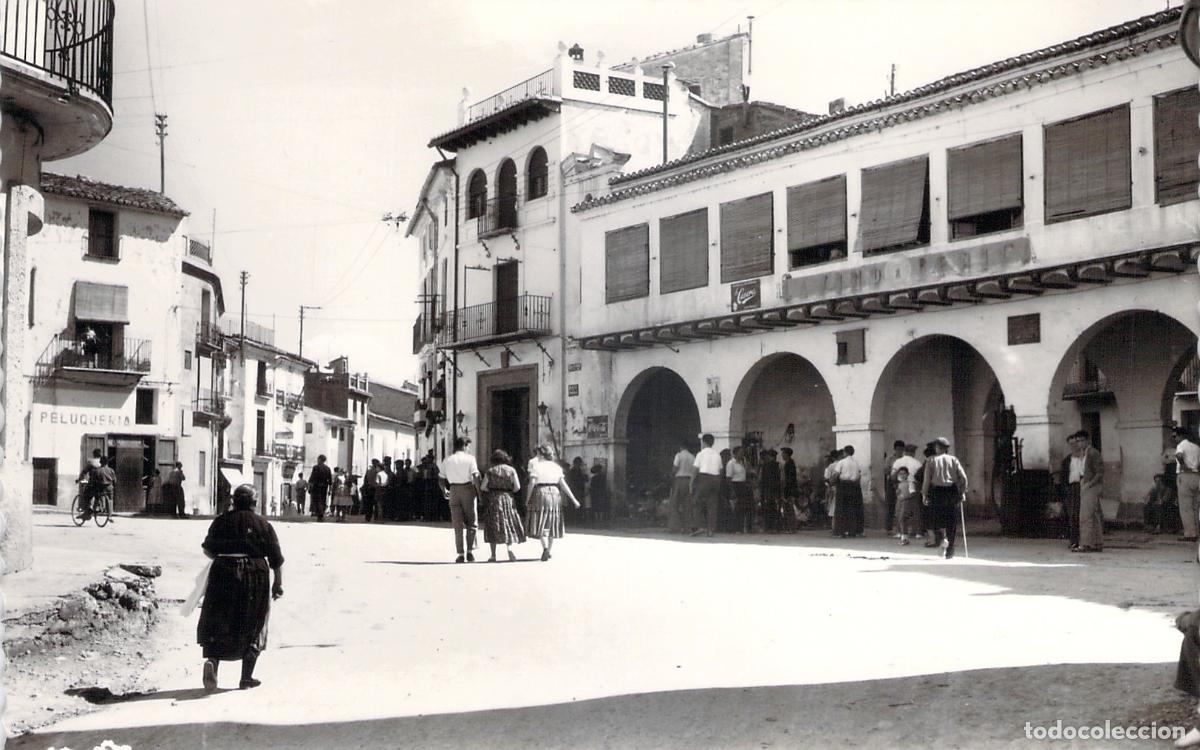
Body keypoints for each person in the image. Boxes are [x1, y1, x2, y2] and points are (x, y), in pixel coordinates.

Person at [197, 484, 284, 691]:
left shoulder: (221, 521)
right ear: (255, 502)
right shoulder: (263, 524)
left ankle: (213, 661)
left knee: (219, 618)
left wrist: (226, 557)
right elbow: (276, 559)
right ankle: (246, 678)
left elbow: (208, 550)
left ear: (234, 501)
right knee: (255, 621)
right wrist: (278, 583)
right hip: (255, 575)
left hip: (223, 572)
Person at [524, 444, 581, 561]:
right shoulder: (556, 467)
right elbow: (563, 485)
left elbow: (532, 483)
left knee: (539, 520)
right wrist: (574, 499)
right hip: (555, 493)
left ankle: (545, 548)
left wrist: (527, 498)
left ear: (541, 454)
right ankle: (549, 550)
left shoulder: (537, 466)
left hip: (540, 492)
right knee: (552, 522)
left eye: (538, 453)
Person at [922, 437, 968, 559]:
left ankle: (943, 538)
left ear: (938, 447)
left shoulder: (931, 460)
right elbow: (963, 478)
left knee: (936, 519)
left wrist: (924, 494)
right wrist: (962, 492)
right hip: (952, 491)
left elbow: (927, 479)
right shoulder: (953, 460)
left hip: (937, 491)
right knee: (951, 521)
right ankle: (950, 550)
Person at [440, 437, 481, 563]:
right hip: (467, 489)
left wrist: (444, 490)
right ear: (464, 445)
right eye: (468, 446)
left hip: (453, 489)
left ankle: (460, 553)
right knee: (471, 522)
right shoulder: (470, 459)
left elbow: (441, 478)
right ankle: (470, 552)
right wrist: (479, 493)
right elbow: (475, 476)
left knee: (457, 524)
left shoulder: (447, 460)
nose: (468, 448)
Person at [482, 449, 526, 562]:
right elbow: (517, 487)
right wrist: (509, 491)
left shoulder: (490, 471)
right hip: (507, 498)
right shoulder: (511, 470)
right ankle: (509, 549)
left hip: (494, 498)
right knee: (508, 522)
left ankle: (493, 555)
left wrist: (492, 490)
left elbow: (483, 487)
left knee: (493, 524)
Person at [1066, 430, 1104, 553]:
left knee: (1085, 516)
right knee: (1094, 515)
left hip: (1091, 486)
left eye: (1082, 440)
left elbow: (1100, 472)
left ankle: (1086, 543)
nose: (1080, 443)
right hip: (1086, 484)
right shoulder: (1084, 454)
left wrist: (1089, 484)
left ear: (1088, 440)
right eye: (1078, 441)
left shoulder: (1093, 453)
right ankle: (1097, 542)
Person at [690, 434, 722, 538]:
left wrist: (691, 482)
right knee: (712, 505)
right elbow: (720, 470)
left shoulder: (700, 454)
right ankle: (710, 530)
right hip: (715, 479)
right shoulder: (717, 455)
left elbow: (695, 469)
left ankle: (699, 526)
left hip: (704, 478)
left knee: (696, 502)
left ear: (703, 442)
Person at [891, 444, 925, 538]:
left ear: (905, 452)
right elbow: (921, 476)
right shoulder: (917, 463)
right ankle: (917, 532)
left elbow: (892, 475)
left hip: (901, 486)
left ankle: (900, 532)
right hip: (913, 485)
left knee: (899, 509)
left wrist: (896, 485)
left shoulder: (898, 461)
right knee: (915, 510)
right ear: (913, 452)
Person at [831, 446, 865, 538]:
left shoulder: (841, 462)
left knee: (841, 508)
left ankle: (840, 531)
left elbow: (836, 474)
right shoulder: (856, 463)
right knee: (852, 508)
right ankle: (852, 531)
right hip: (854, 486)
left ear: (844, 452)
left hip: (843, 485)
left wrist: (831, 482)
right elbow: (859, 475)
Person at [1176, 426, 1200, 543]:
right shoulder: (1196, 447)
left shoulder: (1181, 445)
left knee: (1185, 507)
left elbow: (1179, 455)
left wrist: (1183, 465)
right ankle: (1196, 532)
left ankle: (1190, 534)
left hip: (1185, 475)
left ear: (1180, 436)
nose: (1175, 439)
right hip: (1196, 476)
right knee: (1195, 507)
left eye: (1175, 436)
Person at [668, 439, 696, 534]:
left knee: (675, 503)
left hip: (679, 480)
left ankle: (675, 527)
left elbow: (675, 468)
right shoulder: (692, 457)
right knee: (687, 504)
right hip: (689, 480)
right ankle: (687, 527)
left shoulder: (679, 455)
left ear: (681, 446)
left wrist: (671, 476)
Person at [725, 447, 752, 533]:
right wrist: (732, 490)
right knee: (736, 507)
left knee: (743, 507)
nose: (742, 454)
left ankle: (741, 527)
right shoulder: (731, 463)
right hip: (735, 484)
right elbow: (728, 478)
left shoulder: (743, 463)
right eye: (740, 452)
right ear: (735, 453)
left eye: (743, 452)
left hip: (743, 485)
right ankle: (735, 527)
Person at [884, 440, 906, 538]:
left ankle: (901, 528)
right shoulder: (890, 459)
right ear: (895, 449)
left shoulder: (905, 459)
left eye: (901, 449)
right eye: (898, 449)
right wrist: (895, 470)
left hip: (902, 482)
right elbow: (886, 470)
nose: (900, 451)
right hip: (891, 482)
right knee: (890, 504)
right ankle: (889, 528)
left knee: (902, 506)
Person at [759, 449, 782, 533]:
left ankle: (769, 526)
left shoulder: (766, 466)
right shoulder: (776, 465)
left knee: (768, 509)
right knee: (773, 508)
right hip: (773, 490)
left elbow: (763, 479)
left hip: (768, 490)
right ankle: (774, 527)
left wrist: (762, 491)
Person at [894, 466, 916, 546]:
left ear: (907, 474)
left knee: (902, 519)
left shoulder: (910, 483)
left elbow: (912, 493)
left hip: (907, 503)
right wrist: (898, 494)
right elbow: (898, 494)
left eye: (904, 473)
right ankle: (904, 537)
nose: (902, 475)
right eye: (900, 474)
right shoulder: (899, 484)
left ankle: (904, 538)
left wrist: (904, 497)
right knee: (900, 519)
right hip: (900, 503)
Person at [308, 455, 333, 522]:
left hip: (316, 486)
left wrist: (310, 487)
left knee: (317, 500)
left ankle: (319, 515)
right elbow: (330, 480)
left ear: (320, 459)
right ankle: (321, 514)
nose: (317, 460)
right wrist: (330, 489)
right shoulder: (327, 468)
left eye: (318, 459)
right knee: (322, 500)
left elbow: (312, 478)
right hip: (324, 487)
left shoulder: (315, 467)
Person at [780, 447, 799, 533]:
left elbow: (789, 479)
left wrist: (786, 489)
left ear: (787, 454)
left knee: (789, 509)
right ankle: (791, 527)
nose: (782, 455)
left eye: (783, 453)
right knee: (788, 509)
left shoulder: (789, 464)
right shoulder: (789, 463)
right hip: (789, 489)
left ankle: (791, 528)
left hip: (789, 490)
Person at [566, 457, 588, 526]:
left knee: (580, 505)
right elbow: (571, 480)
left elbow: (585, 479)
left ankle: (579, 519)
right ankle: (572, 519)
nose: (579, 465)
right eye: (578, 463)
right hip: (574, 490)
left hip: (580, 490)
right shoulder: (572, 471)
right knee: (572, 505)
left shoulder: (580, 471)